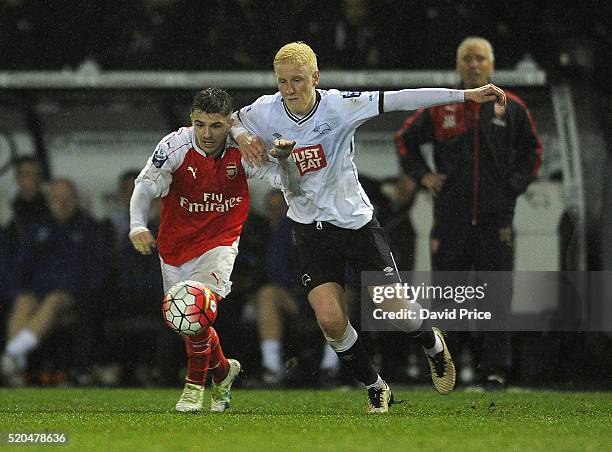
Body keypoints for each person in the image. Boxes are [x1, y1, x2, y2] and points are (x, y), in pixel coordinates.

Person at [232, 41, 506, 413]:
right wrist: (243, 136)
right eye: (282, 81)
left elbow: (401, 98)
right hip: (310, 229)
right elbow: (232, 119)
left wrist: (465, 95)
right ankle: (377, 387)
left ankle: (430, 341)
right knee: (330, 319)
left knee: (396, 312)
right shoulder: (266, 110)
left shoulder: (340, 106)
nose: (290, 89)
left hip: (355, 223)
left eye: (298, 80)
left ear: (316, 77)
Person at [128, 87, 298, 412]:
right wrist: (137, 226)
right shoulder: (174, 146)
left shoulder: (243, 150)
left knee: (193, 309)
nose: (207, 134)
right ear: (191, 121)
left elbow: (288, 183)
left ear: (228, 123)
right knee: (190, 324)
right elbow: (144, 187)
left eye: (216, 126)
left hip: (220, 242)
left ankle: (193, 388)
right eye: (200, 124)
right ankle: (223, 371)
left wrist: (284, 159)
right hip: (174, 246)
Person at [395, 36, 542, 389]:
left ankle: (495, 370)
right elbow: (404, 139)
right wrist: (423, 176)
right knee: (448, 295)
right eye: (467, 59)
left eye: (479, 59)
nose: (473, 65)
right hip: (451, 219)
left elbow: (533, 152)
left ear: (491, 65)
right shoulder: (441, 105)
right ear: (458, 65)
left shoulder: (513, 107)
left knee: (496, 294)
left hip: (496, 220)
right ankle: (448, 368)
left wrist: (510, 187)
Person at [1, 178, 109, 386]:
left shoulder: (90, 229)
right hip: (38, 294)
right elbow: (21, 266)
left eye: (66, 197)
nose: (61, 202)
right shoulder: (38, 228)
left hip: (73, 299)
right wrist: (21, 290)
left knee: (54, 300)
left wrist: (76, 289)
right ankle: (14, 363)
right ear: (49, 200)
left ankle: (11, 355)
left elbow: (97, 271)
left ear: (76, 199)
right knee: (23, 300)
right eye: (56, 198)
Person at [255, 189, 340, 387]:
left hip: (330, 294)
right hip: (298, 295)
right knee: (268, 294)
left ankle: (331, 367)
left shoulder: (339, 222)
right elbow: (275, 266)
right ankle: (272, 369)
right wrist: (303, 287)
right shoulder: (289, 225)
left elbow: (347, 266)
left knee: (343, 295)